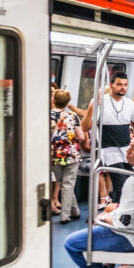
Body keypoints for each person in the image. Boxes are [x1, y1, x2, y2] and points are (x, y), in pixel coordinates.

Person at [59, 136, 134, 268]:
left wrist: (104, 218)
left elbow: (125, 222)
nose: (127, 151)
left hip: (129, 237)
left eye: (133, 148)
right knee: (95, 232)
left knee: (73, 243)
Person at [83, 72, 134, 204]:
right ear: (111, 85)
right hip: (109, 150)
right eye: (119, 84)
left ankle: (117, 211)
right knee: (121, 184)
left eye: (125, 85)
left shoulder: (130, 104)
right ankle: (118, 215)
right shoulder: (101, 101)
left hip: (126, 149)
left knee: (128, 184)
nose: (122, 88)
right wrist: (91, 107)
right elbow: (85, 127)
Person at [51, 89, 88, 223]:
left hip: (55, 155)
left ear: (53, 100)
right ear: (67, 102)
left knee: (64, 183)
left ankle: (75, 211)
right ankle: (65, 216)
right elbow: (81, 137)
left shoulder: (47, 115)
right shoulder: (72, 116)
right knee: (68, 184)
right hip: (72, 155)